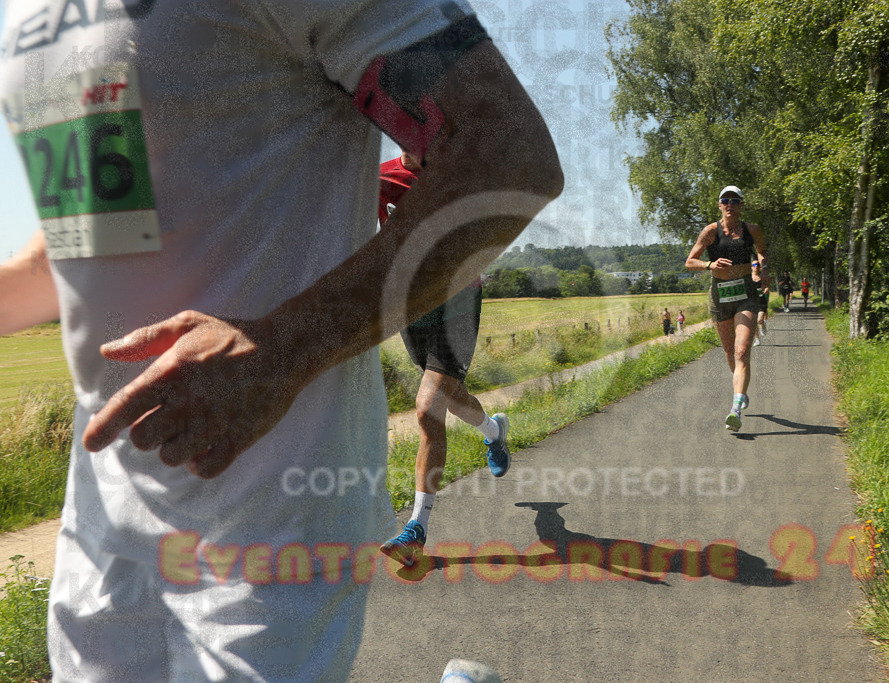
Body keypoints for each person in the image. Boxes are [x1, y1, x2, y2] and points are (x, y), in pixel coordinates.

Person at [0, 2, 562, 679]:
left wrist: (283, 347)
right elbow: (89, 233)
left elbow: (506, 153)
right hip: (105, 506)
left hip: (271, 507)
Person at [377, 151, 511, 568]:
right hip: (411, 306)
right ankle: (493, 430)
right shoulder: (379, 178)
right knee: (451, 398)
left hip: (458, 300)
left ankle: (415, 529)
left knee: (426, 410)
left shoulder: (461, 173)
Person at [686, 186, 769, 432]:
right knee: (730, 353)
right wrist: (710, 264)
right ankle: (740, 390)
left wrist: (764, 269)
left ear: (741, 205)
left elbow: (762, 251)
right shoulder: (710, 232)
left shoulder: (751, 231)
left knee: (742, 351)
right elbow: (690, 261)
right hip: (719, 294)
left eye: (735, 200)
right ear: (720, 205)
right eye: (725, 200)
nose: (730, 204)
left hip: (745, 293)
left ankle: (735, 409)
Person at [751, 261, 770, 346]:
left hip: (761, 300)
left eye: (758, 265)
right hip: (751, 301)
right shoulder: (748, 277)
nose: (756, 266)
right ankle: (757, 339)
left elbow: (767, 285)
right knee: (754, 322)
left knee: (759, 320)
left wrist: (766, 289)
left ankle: (762, 325)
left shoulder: (762, 277)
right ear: (751, 267)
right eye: (754, 265)